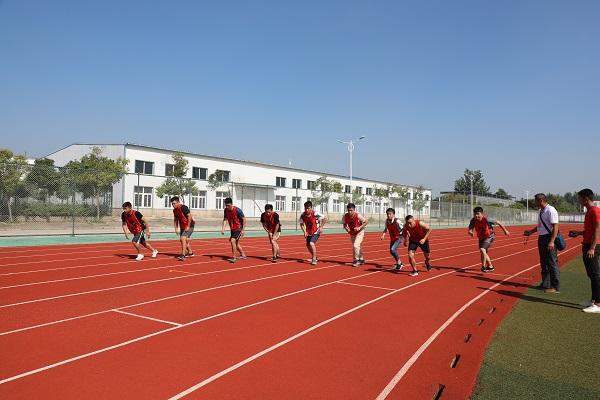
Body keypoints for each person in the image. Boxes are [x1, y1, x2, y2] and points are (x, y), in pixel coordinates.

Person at [570, 189, 600, 313]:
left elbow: (598, 230)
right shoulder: (589, 212)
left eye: (579, 198)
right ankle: (593, 300)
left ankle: (598, 304)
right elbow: (590, 230)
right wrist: (579, 233)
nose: (578, 200)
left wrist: (592, 248)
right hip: (587, 244)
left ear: (586, 198)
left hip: (593, 246)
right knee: (591, 274)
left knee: (595, 275)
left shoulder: (595, 211)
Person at [524, 193, 560, 293]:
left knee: (552, 262)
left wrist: (552, 241)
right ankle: (545, 283)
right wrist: (530, 232)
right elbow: (540, 226)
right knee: (544, 262)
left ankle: (555, 286)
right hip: (542, 238)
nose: (534, 202)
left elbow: (555, 226)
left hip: (549, 238)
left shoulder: (551, 210)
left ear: (541, 201)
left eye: (535, 200)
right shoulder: (540, 211)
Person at [468, 207, 510, 273]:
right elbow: (470, 227)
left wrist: (505, 231)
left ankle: (483, 266)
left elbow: (498, 222)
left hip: (489, 236)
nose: (476, 215)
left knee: (482, 249)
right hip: (481, 237)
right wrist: (470, 231)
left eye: (478, 214)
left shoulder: (487, 219)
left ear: (482, 214)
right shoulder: (473, 220)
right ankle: (490, 266)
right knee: (484, 252)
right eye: (475, 214)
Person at [299, 200, 327, 265]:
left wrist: (321, 227)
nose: (306, 210)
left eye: (308, 208)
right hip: (309, 232)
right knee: (308, 245)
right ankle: (315, 257)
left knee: (311, 243)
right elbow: (301, 224)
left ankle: (314, 259)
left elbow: (325, 218)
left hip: (316, 231)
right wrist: (304, 232)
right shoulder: (303, 215)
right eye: (305, 208)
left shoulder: (315, 213)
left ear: (311, 208)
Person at [343, 203, 369, 267]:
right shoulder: (345, 216)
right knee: (357, 246)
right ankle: (361, 259)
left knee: (355, 245)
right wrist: (347, 228)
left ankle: (356, 260)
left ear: (354, 210)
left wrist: (359, 227)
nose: (350, 212)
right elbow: (344, 224)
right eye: (348, 210)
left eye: (351, 210)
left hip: (360, 232)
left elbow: (366, 222)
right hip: (352, 233)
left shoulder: (358, 216)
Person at [221, 197, 247, 263]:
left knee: (232, 241)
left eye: (228, 205)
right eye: (226, 205)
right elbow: (225, 219)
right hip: (232, 228)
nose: (227, 207)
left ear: (232, 204)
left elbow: (244, 219)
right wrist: (223, 229)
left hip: (238, 228)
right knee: (236, 243)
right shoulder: (225, 210)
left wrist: (243, 230)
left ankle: (234, 257)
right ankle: (243, 255)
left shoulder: (237, 210)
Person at [171, 196, 195, 261]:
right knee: (183, 240)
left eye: (174, 203)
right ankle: (190, 252)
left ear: (178, 202)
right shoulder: (174, 210)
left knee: (183, 238)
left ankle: (183, 255)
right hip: (182, 226)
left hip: (190, 225)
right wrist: (176, 228)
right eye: (172, 204)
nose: (173, 205)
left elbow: (189, 216)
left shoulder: (184, 207)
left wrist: (188, 226)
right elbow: (175, 220)